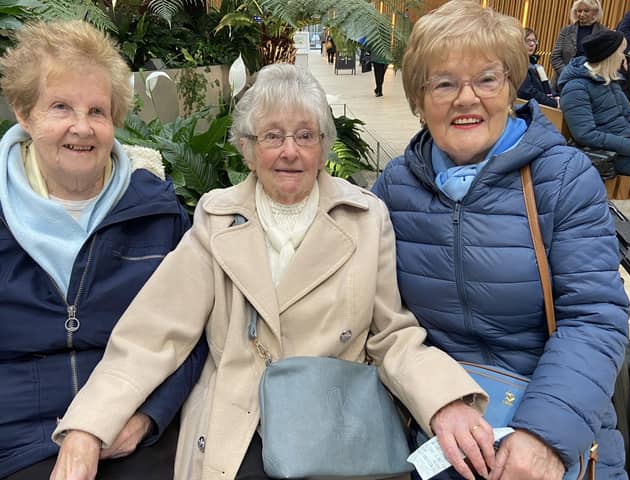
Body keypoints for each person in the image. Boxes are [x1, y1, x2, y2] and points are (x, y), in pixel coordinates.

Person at [49, 63, 496, 480]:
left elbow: (391, 334)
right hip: (237, 420)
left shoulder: (364, 217)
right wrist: (90, 426)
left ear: (323, 146)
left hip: (334, 422)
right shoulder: (217, 217)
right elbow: (154, 333)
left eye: (305, 136)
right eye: (272, 136)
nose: (289, 152)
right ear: (247, 148)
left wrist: (444, 402)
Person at [372, 2, 630, 479]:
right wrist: (438, 400)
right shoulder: (394, 187)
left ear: (511, 85)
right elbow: (375, 314)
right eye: (444, 83)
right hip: (438, 429)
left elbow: (594, 316)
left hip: (552, 418)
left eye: (486, 79)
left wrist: (544, 436)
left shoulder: (563, 178)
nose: (466, 98)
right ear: (418, 98)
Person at [0, 20, 208, 480]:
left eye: (98, 110)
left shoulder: (156, 212)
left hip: (138, 437)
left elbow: (197, 335)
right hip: (19, 445)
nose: (82, 127)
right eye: (60, 107)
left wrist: (146, 417)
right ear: (23, 111)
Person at [559, 30, 630, 177]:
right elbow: (585, 135)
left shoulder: (609, 80)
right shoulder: (576, 88)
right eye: (622, 52)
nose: (624, 57)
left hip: (626, 147)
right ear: (610, 56)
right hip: (610, 154)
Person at [550, 0, 605, 89]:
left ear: (595, 12)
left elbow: (604, 61)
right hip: (563, 82)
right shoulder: (566, 30)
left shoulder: (604, 32)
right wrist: (568, 74)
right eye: (579, 11)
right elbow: (555, 57)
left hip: (590, 84)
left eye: (586, 11)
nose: (581, 14)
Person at [517, 28, 559, 108]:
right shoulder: (518, 64)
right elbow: (527, 92)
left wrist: (556, 97)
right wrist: (553, 103)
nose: (532, 44)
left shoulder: (536, 66)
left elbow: (546, 88)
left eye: (534, 41)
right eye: (527, 40)